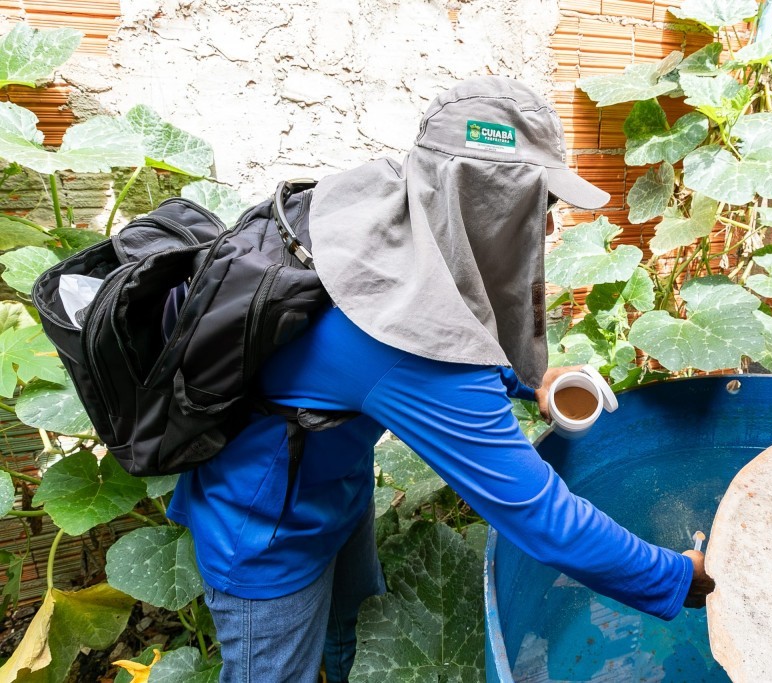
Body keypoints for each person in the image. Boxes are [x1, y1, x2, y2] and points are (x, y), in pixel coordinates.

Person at [166, 75, 714, 683]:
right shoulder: (412, 355)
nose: (546, 227)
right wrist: (673, 576)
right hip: (263, 534)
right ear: (485, 206)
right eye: (541, 206)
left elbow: (435, 326)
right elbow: (542, 517)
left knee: (359, 640)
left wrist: (525, 380)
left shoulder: (391, 211)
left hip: (331, 484)